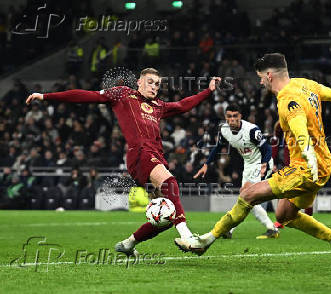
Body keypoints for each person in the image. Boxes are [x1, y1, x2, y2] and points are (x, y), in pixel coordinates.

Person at [175, 53, 331, 264]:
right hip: (322, 164)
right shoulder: (305, 84)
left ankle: (204, 241)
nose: (261, 83)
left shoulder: (286, 99)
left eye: (261, 78)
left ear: (269, 75)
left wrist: (307, 151)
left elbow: (298, 123)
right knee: (285, 215)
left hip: (306, 166)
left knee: (247, 195)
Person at [26, 68, 221, 257]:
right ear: (139, 82)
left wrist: (208, 91)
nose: (154, 87)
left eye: (157, 84)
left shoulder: (158, 106)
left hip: (155, 156)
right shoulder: (123, 94)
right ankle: (187, 236)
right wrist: (46, 96)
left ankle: (128, 244)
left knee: (167, 215)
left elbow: (183, 105)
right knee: (171, 184)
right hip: (140, 154)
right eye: (150, 82)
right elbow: (86, 95)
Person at [194, 104, 278, 239]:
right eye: (229, 116)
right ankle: (271, 229)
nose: (232, 119)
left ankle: (231, 229)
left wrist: (264, 164)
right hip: (249, 164)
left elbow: (267, 148)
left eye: (235, 116)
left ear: (240, 116)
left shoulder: (251, 130)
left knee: (246, 195)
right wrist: (206, 164)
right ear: (225, 117)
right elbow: (217, 148)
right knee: (247, 198)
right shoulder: (224, 130)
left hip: (261, 163)